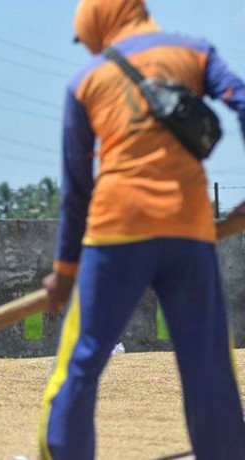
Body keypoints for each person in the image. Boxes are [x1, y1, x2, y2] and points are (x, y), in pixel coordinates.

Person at [39, 0, 245, 458]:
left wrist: (64, 269)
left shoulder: (86, 80)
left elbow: (76, 188)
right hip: (188, 227)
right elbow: (241, 99)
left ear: (98, 22)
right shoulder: (195, 52)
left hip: (115, 232)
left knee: (81, 365)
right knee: (208, 367)